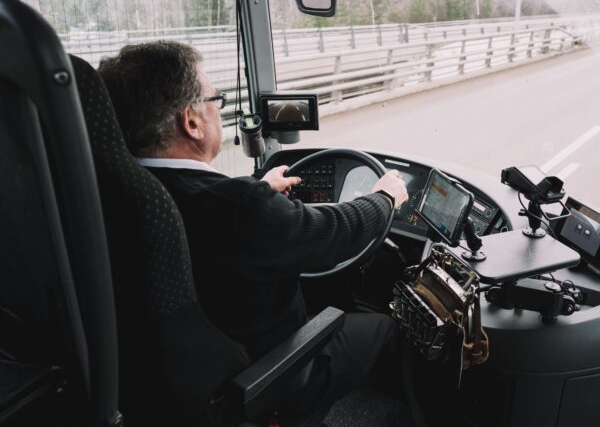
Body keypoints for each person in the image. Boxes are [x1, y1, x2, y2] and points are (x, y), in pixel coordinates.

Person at [98, 40, 408, 425]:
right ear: (191, 122)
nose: (219, 110)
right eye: (216, 101)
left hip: (163, 375)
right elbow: (334, 234)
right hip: (265, 374)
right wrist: (383, 199)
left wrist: (259, 186)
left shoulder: (119, 193)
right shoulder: (239, 208)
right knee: (384, 327)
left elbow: (206, 209)